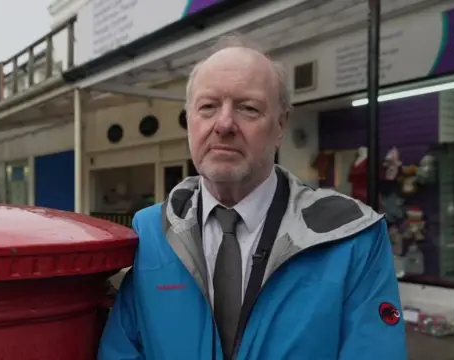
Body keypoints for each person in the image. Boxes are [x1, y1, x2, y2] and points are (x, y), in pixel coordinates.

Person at [97, 34, 407, 360]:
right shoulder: (151, 231)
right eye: (208, 106)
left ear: (281, 125)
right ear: (189, 119)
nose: (225, 124)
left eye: (248, 108)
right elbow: (122, 350)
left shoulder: (353, 238)